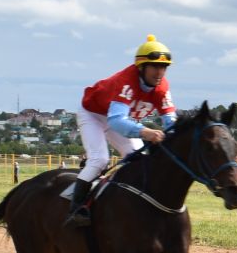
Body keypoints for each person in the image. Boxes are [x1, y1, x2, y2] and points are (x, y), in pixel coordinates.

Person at [64, 34, 175, 226]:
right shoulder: (127, 81)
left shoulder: (162, 87)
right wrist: (145, 132)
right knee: (100, 160)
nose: (159, 72)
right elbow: (116, 121)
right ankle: (76, 209)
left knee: (137, 159)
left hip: (115, 117)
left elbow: (171, 121)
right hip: (93, 114)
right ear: (141, 67)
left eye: (163, 67)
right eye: (155, 66)